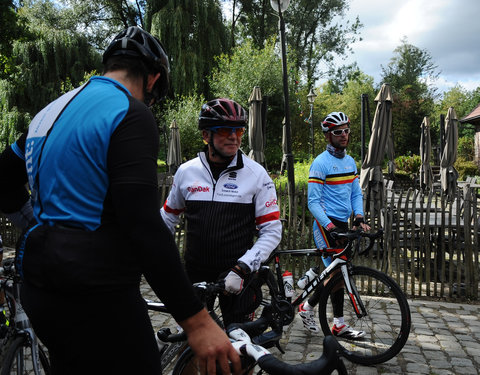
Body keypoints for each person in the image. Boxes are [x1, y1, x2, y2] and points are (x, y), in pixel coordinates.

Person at [0, 26, 240, 375]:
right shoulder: (130, 112)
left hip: (38, 285)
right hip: (96, 290)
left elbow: (3, 180)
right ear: (153, 78)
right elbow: (142, 225)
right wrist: (196, 321)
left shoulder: (49, 112)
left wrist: (38, 224)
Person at [161, 98, 282, 327]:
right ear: (206, 135)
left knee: (241, 348)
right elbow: (167, 217)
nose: (234, 137)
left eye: (239, 130)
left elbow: (272, 230)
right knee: (191, 343)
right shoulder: (186, 172)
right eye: (226, 130)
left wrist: (244, 266)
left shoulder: (256, 174)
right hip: (195, 274)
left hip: (238, 274)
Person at [298, 111, 370, 339]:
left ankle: (307, 305)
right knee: (338, 273)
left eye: (347, 130)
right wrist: (330, 227)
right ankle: (337, 323)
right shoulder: (320, 164)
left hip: (343, 223)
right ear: (328, 136)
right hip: (325, 223)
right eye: (338, 132)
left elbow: (356, 193)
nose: (344, 135)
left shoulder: (350, 162)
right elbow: (313, 202)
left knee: (335, 273)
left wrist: (359, 217)